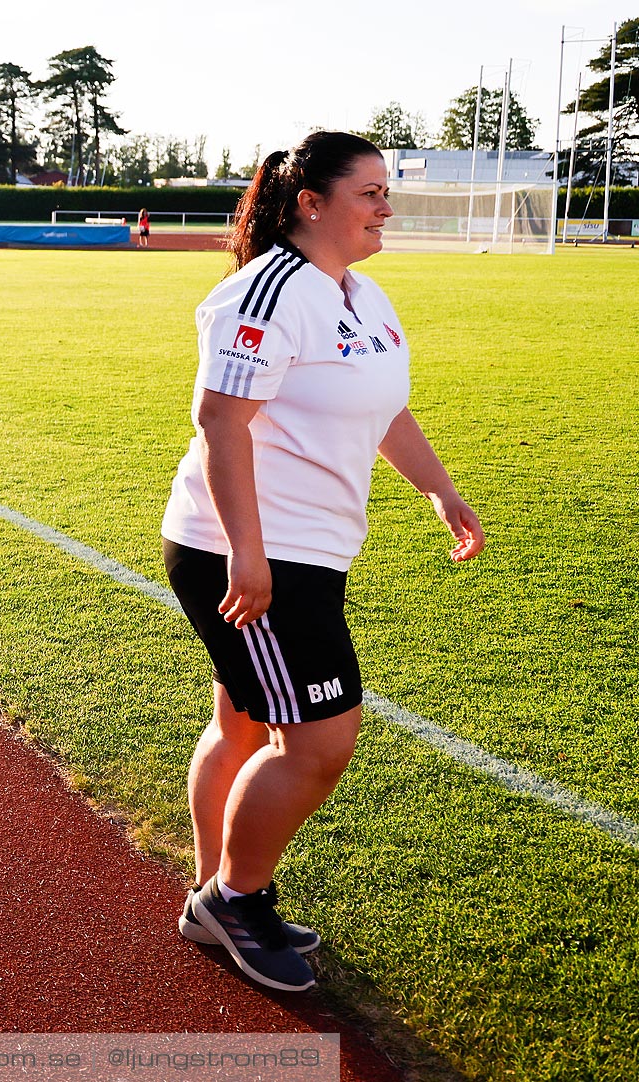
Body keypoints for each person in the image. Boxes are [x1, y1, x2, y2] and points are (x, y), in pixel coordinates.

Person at [162, 131, 483, 992]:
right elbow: (221, 423)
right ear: (312, 203)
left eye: (386, 191)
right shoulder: (265, 293)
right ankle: (234, 897)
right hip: (251, 549)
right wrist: (250, 558)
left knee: (241, 724)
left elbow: (385, 411)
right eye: (370, 192)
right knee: (319, 743)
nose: (387, 207)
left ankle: (216, 893)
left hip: (307, 549)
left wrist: (438, 491)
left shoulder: (364, 295)